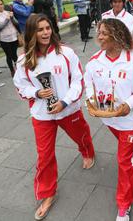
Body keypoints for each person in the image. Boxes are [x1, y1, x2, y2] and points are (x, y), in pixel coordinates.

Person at [12, 14, 96, 220]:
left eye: (47, 28)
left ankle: (87, 152)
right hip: (42, 114)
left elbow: (78, 81)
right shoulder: (24, 60)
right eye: (40, 29)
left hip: (68, 109)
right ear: (32, 33)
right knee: (45, 155)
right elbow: (20, 85)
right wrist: (36, 93)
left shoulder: (66, 53)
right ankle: (47, 194)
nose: (45, 32)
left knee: (81, 136)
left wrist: (65, 102)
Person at [83, 19, 133, 221]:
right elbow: (88, 85)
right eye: (98, 32)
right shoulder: (94, 61)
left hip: (129, 121)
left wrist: (128, 105)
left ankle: (123, 205)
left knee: (124, 162)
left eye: (104, 33)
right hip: (108, 119)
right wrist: (91, 102)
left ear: (117, 35)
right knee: (127, 148)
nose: (99, 37)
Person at [0, 0, 20, 76]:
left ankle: (19, 69)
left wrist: (12, 17)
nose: (0, 6)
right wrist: (6, 20)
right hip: (4, 39)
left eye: (1, 4)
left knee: (14, 54)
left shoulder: (8, 12)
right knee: (9, 55)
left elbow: (17, 23)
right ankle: (12, 70)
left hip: (14, 36)